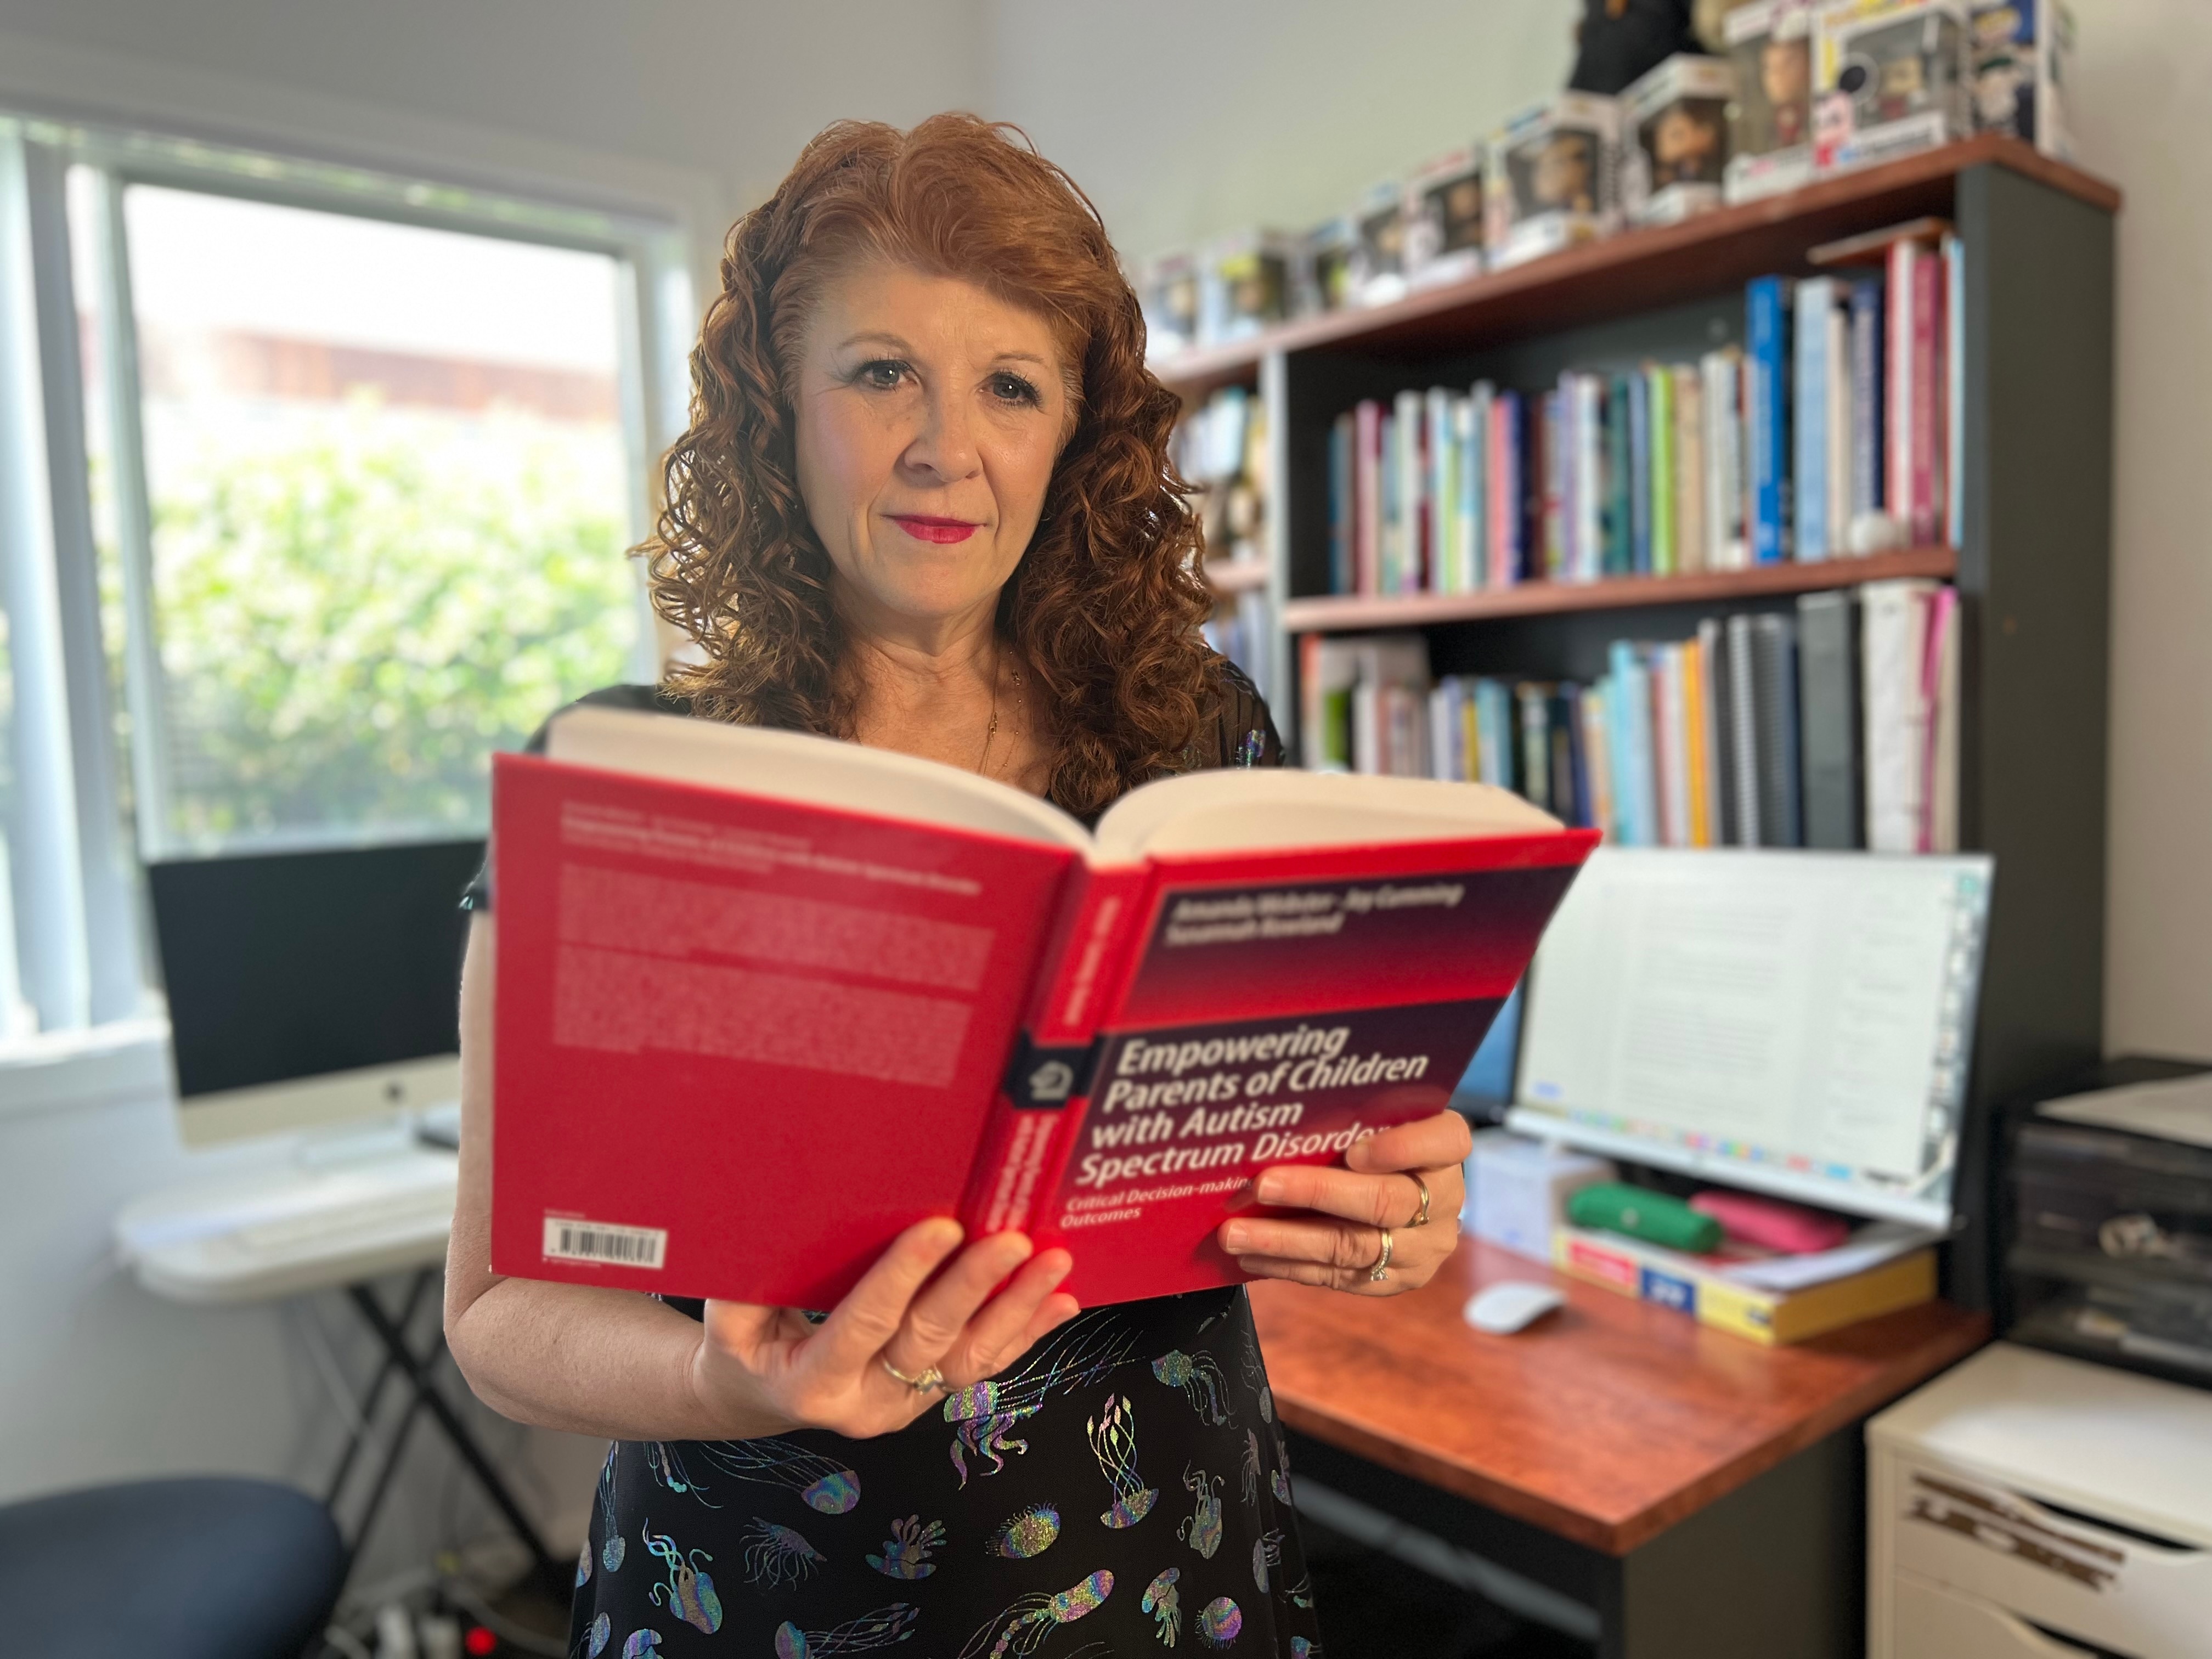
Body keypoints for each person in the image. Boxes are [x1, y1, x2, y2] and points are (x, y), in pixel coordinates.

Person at [446, 114, 1474, 1658]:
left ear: (1074, 434)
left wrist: (1389, 1219)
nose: (948, 445)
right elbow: (497, 1316)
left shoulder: (1202, 742)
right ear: (776, 411)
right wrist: (731, 1387)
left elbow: (1293, 1159)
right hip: (757, 1593)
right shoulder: (632, 781)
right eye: (881, 374)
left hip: (1167, 1573)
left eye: (1011, 384)